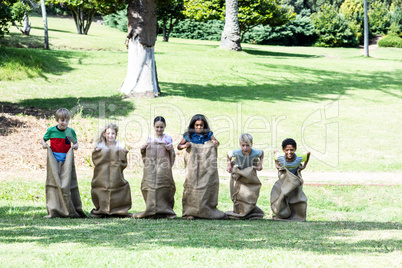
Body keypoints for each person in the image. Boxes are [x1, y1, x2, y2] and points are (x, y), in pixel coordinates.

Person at [178, 114, 226, 220]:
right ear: (193, 126)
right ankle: (190, 212)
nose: (199, 127)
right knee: (191, 184)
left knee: (207, 184)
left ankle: (207, 210)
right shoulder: (188, 135)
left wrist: (215, 142)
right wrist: (185, 146)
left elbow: (216, 142)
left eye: (201, 125)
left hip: (206, 165)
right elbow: (179, 146)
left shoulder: (208, 134)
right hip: (193, 165)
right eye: (197, 125)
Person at [41, 108, 86, 218]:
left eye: (66, 120)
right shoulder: (51, 131)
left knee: (66, 182)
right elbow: (43, 139)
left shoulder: (69, 132)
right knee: (55, 181)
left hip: (66, 160)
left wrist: (75, 146)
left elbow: (75, 143)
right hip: (54, 159)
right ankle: (55, 207)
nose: (64, 123)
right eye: (62, 120)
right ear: (57, 120)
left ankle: (69, 207)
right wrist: (44, 144)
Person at [135, 116, 176, 219]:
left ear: (165, 127)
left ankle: (164, 209)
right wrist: (143, 149)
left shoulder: (168, 138)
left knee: (164, 186)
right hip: (152, 168)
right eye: (157, 127)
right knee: (150, 186)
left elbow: (172, 155)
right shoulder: (150, 138)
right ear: (154, 126)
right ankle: (151, 208)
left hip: (163, 168)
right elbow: (146, 155)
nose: (159, 129)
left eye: (161, 127)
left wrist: (170, 149)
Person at [91, 123, 132, 217]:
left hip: (116, 174)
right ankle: (103, 208)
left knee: (117, 189)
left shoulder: (120, 145)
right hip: (103, 175)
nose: (110, 135)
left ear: (116, 135)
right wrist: (97, 151)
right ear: (104, 134)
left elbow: (123, 160)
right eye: (108, 133)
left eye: (113, 133)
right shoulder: (101, 145)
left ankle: (118, 209)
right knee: (102, 189)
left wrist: (124, 153)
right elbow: (96, 158)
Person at [226, 134, 265, 219]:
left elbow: (262, 153)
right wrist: (229, 165)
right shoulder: (237, 152)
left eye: (248, 145)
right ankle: (239, 210)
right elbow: (229, 155)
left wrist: (260, 164)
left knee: (249, 192)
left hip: (249, 172)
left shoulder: (255, 152)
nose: (245, 148)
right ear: (240, 145)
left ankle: (249, 209)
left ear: (251, 144)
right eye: (243, 145)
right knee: (237, 191)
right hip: (239, 172)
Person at [270, 138, 309, 221]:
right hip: (285, 179)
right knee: (283, 195)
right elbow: (275, 153)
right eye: (287, 150)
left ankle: (298, 215)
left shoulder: (299, 157)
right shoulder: (280, 157)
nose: (289, 152)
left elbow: (308, 153)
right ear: (283, 150)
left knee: (296, 195)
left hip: (294, 179)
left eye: (292, 150)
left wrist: (304, 166)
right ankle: (282, 213)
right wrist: (277, 165)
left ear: (295, 149)